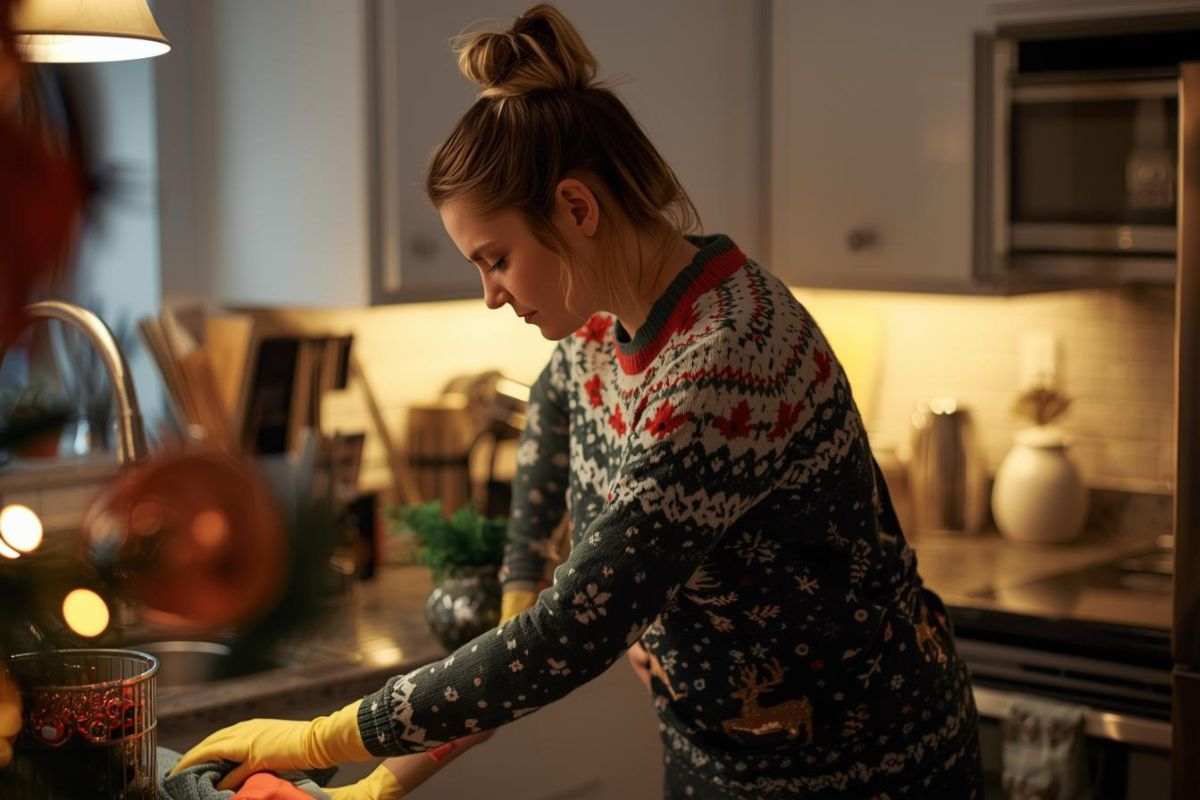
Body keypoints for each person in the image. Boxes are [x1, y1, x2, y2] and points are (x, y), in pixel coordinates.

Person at [174, 4, 983, 798]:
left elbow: (573, 630)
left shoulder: (725, 363)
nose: (491, 294)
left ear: (576, 209)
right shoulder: (601, 330)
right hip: (716, 753)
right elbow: (550, 434)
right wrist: (512, 598)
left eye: (495, 259)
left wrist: (322, 738)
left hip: (865, 763)